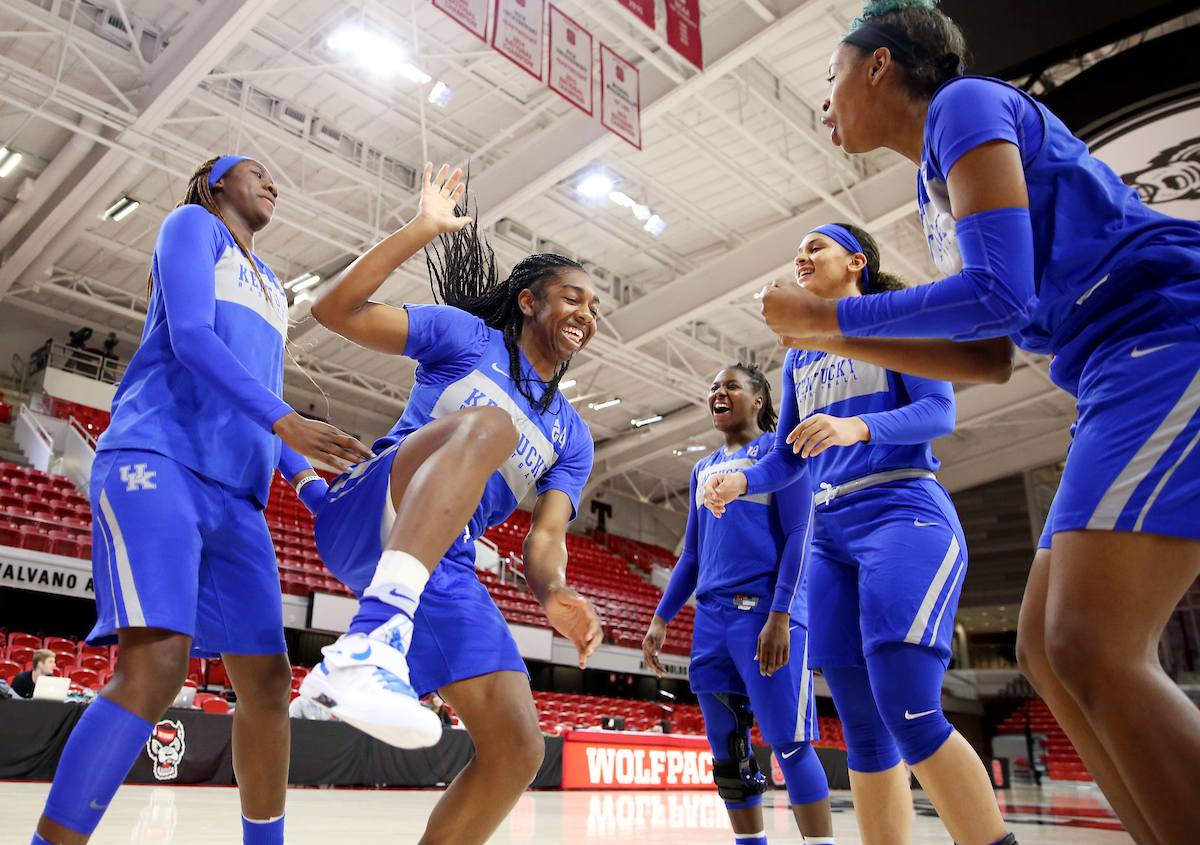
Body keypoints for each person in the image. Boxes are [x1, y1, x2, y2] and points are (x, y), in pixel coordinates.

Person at [754, 2, 1200, 842]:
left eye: (832, 75)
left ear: (879, 65)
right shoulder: (932, 184)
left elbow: (999, 294)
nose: (826, 99)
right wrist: (833, 333)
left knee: (1092, 643)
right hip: (1109, 366)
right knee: (1047, 651)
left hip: (1169, 332)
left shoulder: (963, 105)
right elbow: (992, 354)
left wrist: (833, 324)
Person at [29, 154, 372, 845]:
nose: (274, 181)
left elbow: (260, 400)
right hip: (158, 462)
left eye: (279, 174)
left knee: (271, 684)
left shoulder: (274, 287)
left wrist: (312, 486)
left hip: (235, 498)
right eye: (256, 171)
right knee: (155, 668)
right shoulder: (193, 225)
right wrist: (285, 419)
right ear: (217, 183)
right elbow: (190, 338)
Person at [299, 163, 603, 845]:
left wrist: (553, 590)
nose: (586, 311)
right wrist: (422, 230)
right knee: (490, 428)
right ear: (528, 301)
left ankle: (380, 637)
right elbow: (333, 310)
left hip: (447, 562)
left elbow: (546, 538)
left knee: (519, 748)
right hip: (375, 502)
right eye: (571, 296)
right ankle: (370, 640)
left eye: (594, 306)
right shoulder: (467, 338)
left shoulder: (573, 435)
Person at [706, 223, 1017, 845]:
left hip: (903, 512)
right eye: (795, 250)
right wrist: (742, 482)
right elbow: (787, 457)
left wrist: (858, 429)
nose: (800, 255)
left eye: (814, 246)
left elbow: (940, 411)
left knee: (910, 708)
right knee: (863, 731)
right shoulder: (798, 354)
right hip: (830, 536)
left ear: (856, 263)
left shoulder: (895, 320)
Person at [642, 363, 835, 845]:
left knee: (788, 744)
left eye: (731, 385)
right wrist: (661, 617)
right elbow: (691, 553)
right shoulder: (702, 469)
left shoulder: (780, 452)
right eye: (712, 387)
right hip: (710, 619)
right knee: (727, 749)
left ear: (760, 400)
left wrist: (781, 612)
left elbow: (798, 535)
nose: (718, 393)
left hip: (766, 614)